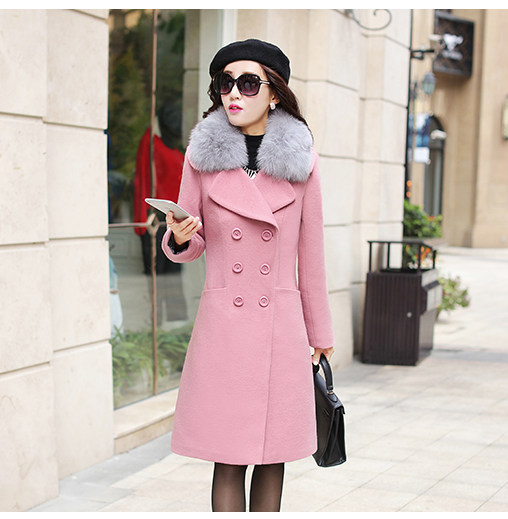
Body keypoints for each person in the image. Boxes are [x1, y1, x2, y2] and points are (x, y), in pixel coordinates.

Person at [161, 38, 334, 512]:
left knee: (273, 456)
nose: (234, 93)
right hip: (225, 326)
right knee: (229, 457)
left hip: (280, 327)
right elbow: (191, 239)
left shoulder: (303, 162)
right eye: (225, 83)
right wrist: (180, 236)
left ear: (274, 93)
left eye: (248, 83)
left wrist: (320, 332)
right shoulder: (201, 158)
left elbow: (311, 256)